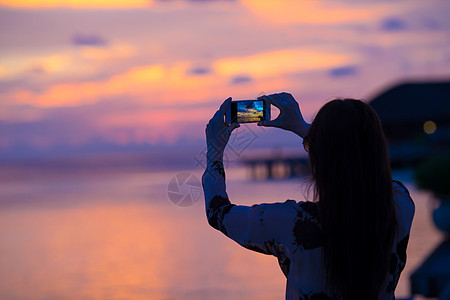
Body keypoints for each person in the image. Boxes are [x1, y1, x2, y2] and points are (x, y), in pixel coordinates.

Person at [202, 92, 415, 300]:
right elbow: (361, 169)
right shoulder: (400, 205)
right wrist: (303, 129)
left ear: (318, 159)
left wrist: (214, 152)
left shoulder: (292, 223)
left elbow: (218, 212)